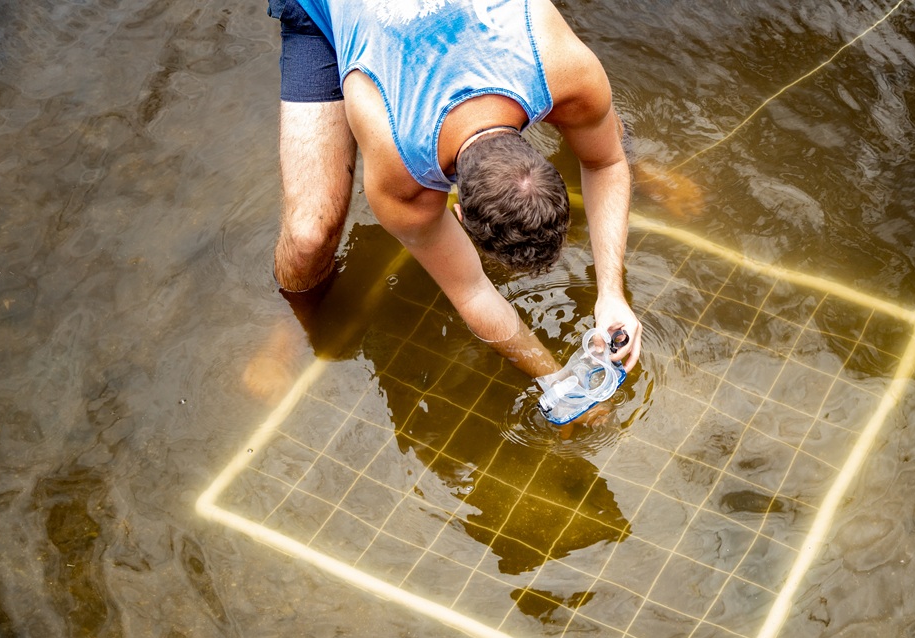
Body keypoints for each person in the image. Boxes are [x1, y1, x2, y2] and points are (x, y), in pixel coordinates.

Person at [267, 0, 642, 387]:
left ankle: (636, 158)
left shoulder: (561, 65)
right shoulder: (399, 163)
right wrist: (555, 380)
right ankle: (288, 329)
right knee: (308, 238)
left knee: (597, 123)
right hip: (330, 11)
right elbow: (472, 291)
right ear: (457, 213)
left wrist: (612, 293)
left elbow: (604, 163)